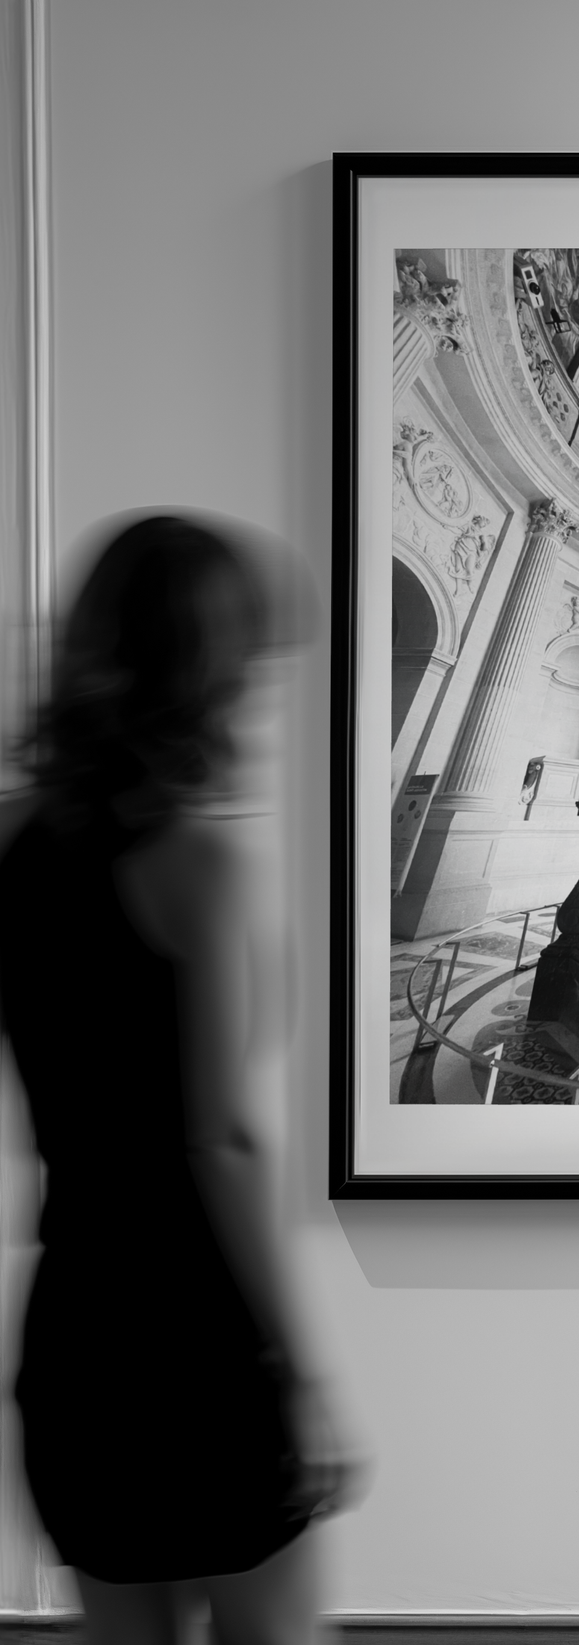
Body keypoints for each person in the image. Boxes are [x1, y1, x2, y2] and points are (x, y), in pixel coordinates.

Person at [0, 515, 360, 1645]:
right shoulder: (201, 864)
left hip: (72, 1340)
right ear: (206, 668)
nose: (258, 687)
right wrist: (302, 1374)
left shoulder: (12, 845)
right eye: (248, 659)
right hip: (198, 1348)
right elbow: (221, 1143)